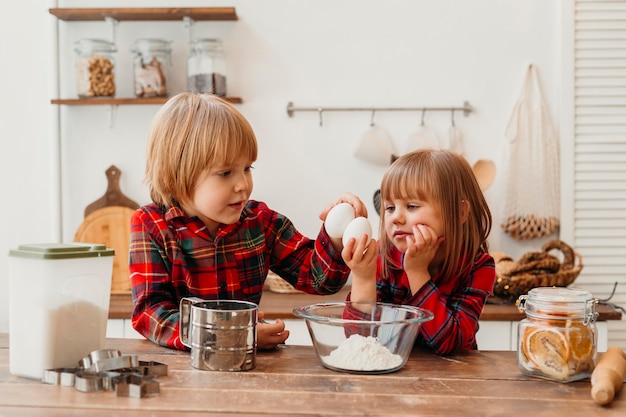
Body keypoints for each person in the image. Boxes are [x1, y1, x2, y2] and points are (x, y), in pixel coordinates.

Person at [129, 92, 367, 351]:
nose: (243, 184)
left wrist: (335, 234)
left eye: (247, 168)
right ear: (177, 176)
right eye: (225, 173)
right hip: (182, 376)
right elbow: (152, 315)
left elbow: (320, 280)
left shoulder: (260, 222)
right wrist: (235, 336)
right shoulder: (151, 225)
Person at [342, 149, 496, 355]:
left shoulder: (477, 267)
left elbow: (451, 343)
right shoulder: (384, 257)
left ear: (459, 213)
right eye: (389, 208)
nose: (396, 217)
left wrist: (417, 272)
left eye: (412, 206)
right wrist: (362, 277)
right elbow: (359, 340)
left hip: (455, 380)